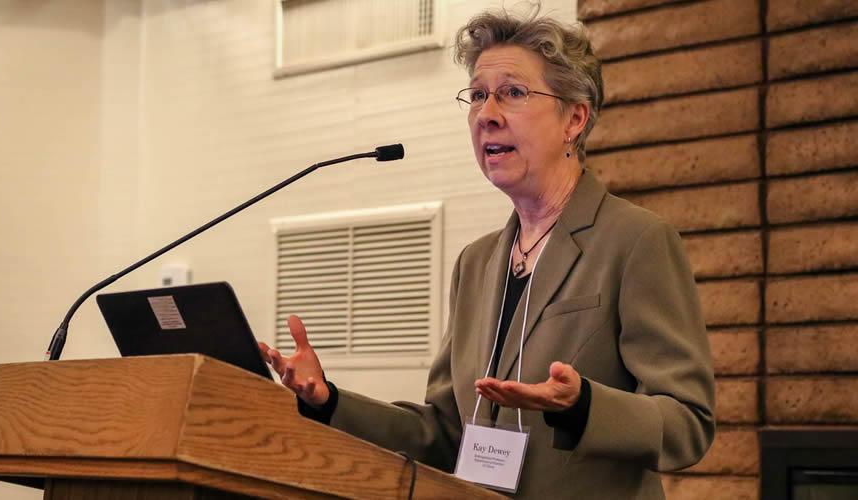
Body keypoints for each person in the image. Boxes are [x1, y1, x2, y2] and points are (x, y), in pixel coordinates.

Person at [259, 9, 714, 499]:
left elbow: (687, 423)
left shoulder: (635, 241)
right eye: (477, 95)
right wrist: (328, 401)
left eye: (513, 93)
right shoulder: (474, 265)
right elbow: (444, 433)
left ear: (574, 119)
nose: (486, 114)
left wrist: (583, 406)